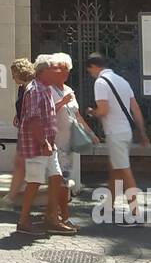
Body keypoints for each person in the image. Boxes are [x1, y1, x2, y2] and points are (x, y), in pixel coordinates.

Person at [16, 55, 75, 235]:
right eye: (53, 70)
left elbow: (47, 114)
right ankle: (23, 222)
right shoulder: (35, 89)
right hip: (38, 145)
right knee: (34, 182)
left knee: (56, 177)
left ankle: (52, 218)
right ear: (44, 72)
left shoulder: (45, 89)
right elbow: (33, 119)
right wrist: (43, 142)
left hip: (49, 144)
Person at [86, 53, 149, 217]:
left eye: (89, 71)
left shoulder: (100, 82)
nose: (91, 74)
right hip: (125, 131)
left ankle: (136, 212)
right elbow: (135, 109)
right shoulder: (122, 81)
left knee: (123, 170)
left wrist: (92, 112)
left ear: (93, 67)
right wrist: (142, 133)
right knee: (115, 168)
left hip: (114, 132)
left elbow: (103, 110)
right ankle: (109, 205)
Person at [48, 53, 99, 223]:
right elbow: (45, 113)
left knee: (64, 181)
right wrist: (62, 101)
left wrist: (91, 133)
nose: (64, 73)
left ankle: (58, 215)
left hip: (69, 145)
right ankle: (60, 216)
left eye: (66, 70)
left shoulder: (69, 90)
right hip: (55, 144)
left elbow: (77, 115)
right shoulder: (48, 90)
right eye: (59, 70)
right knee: (59, 181)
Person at [2, 58, 35, 207]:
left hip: (30, 133)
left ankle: (12, 197)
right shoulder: (22, 88)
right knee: (20, 163)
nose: (12, 77)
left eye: (14, 74)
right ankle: (12, 195)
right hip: (24, 130)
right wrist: (18, 115)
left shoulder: (33, 88)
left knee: (21, 163)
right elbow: (23, 106)